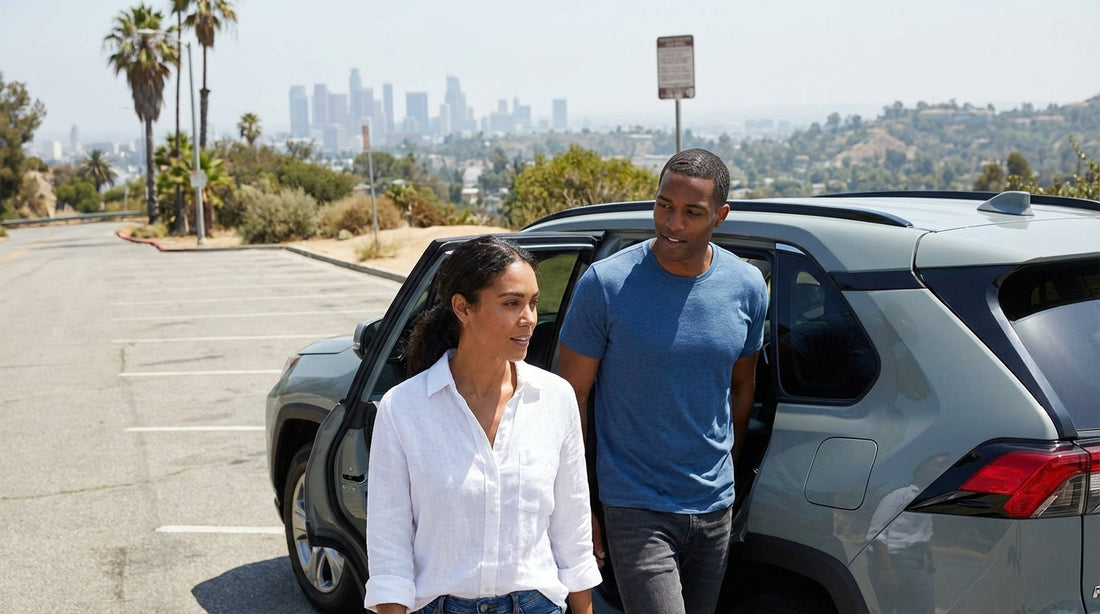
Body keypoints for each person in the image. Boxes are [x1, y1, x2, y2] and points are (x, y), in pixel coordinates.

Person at [557, 148, 769, 614]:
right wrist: (580, 502)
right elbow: (571, 398)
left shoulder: (748, 286)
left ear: (721, 215)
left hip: (714, 505)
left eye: (692, 213)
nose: (672, 223)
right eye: (663, 206)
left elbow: (742, 385)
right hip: (635, 505)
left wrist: (727, 465)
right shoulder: (605, 284)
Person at [364, 235, 602, 614]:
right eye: (511, 303)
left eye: (533, 303)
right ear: (463, 308)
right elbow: (389, 545)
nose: (529, 319)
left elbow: (571, 531)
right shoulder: (403, 409)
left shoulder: (555, 399)